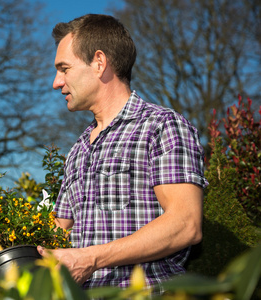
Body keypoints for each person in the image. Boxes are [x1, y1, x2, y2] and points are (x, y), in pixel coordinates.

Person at [37, 14, 208, 293]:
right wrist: (2, 261)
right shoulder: (78, 150)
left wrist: (91, 258)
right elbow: (54, 233)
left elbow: (186, 223)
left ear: (99, 63)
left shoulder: (162, 126)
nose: (56, 82)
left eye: (64, 68)